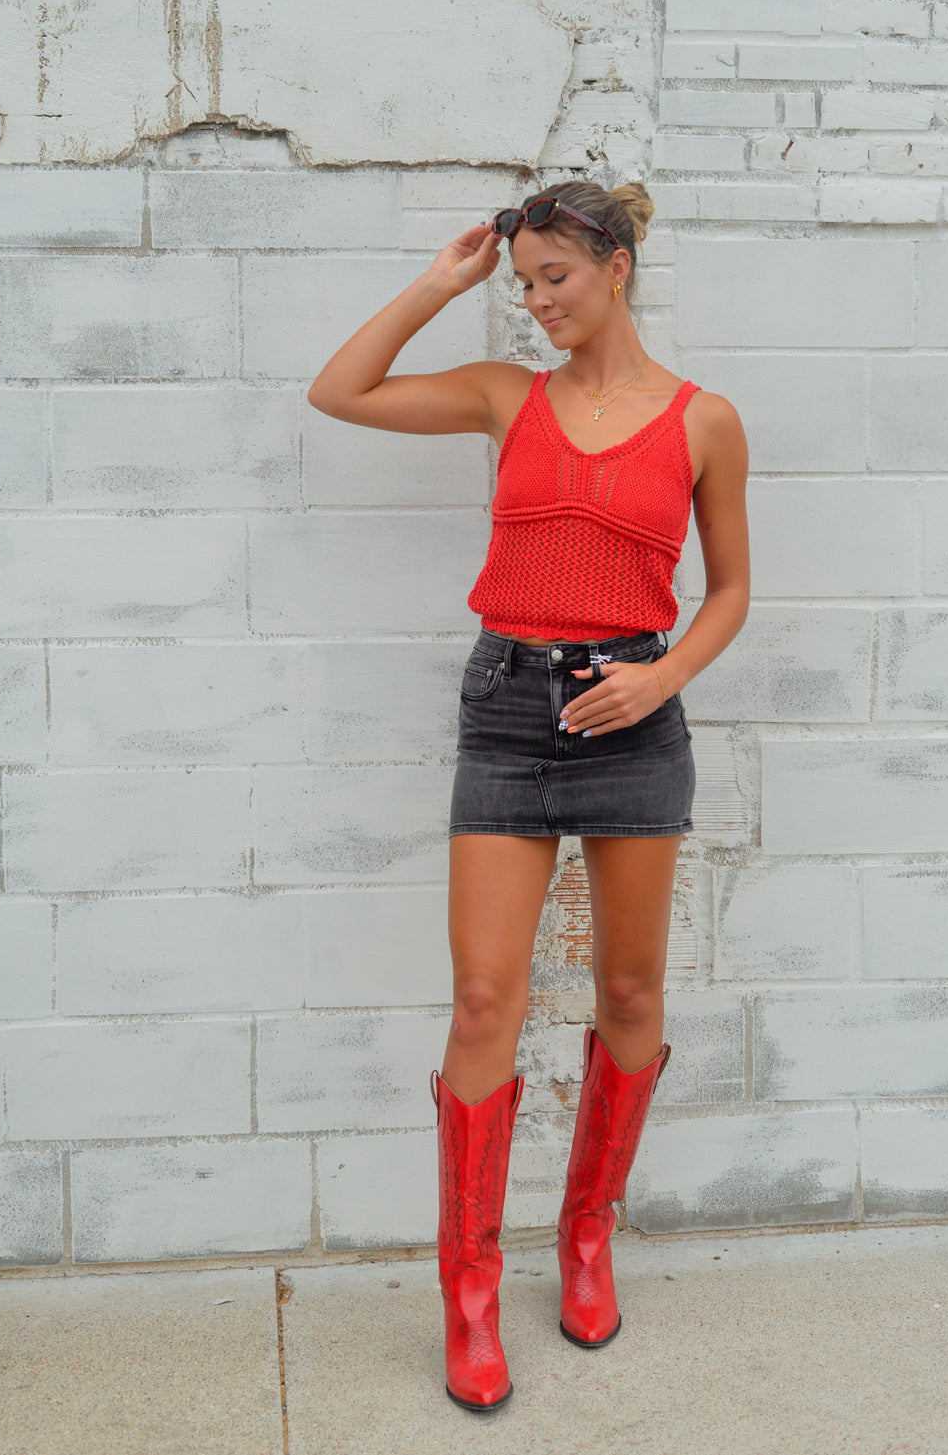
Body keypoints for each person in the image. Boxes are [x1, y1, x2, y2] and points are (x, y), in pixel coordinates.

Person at [307, 179, 750, 1413]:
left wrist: (660, 677)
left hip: (633, 714)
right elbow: (339, 391)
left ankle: (589, 1237)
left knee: (630, 990)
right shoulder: (510, 398)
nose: (537, 303)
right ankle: (469, 1294)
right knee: (484, 1000)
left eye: (555, 279)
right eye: (524, 286)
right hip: (508, 704)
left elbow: (729, 592)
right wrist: (442, 283)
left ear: (616, 268)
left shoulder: (705, 421)